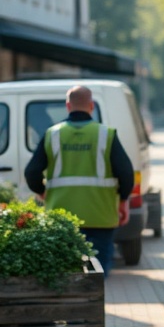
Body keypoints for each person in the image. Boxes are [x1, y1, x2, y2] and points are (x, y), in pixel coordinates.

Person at [24, 85, 134, 276]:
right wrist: (123, 201)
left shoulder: (52, 134)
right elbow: (126, 173)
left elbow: (31, 172)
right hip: (101, 217)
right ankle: (95, 305)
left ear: (68, 106)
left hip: (62, 218)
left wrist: (41, 191)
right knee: (97, 273)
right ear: (91, 106)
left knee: (65, 272)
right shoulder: (106, 134)